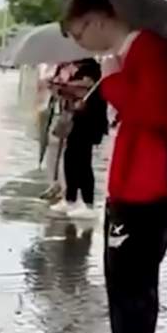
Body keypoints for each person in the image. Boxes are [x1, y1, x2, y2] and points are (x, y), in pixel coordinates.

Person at [61, 0, 167, 333]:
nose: (79, 43)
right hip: (131, 187)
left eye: (79, 33)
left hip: (147, 190)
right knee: (122, 285)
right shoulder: (132, 54)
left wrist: (111, 78)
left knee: (133, 290)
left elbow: (156, 113)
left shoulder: (149, 51)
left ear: (97, 20)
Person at [47, 57, 108, 219]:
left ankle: (88, 202)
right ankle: (70, 198)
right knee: (70, 159)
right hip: (75, 120)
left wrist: (68, 86)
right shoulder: (71, 68)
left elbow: (88, 87)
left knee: (83, 161)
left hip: (89, 122)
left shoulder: (92, 68)